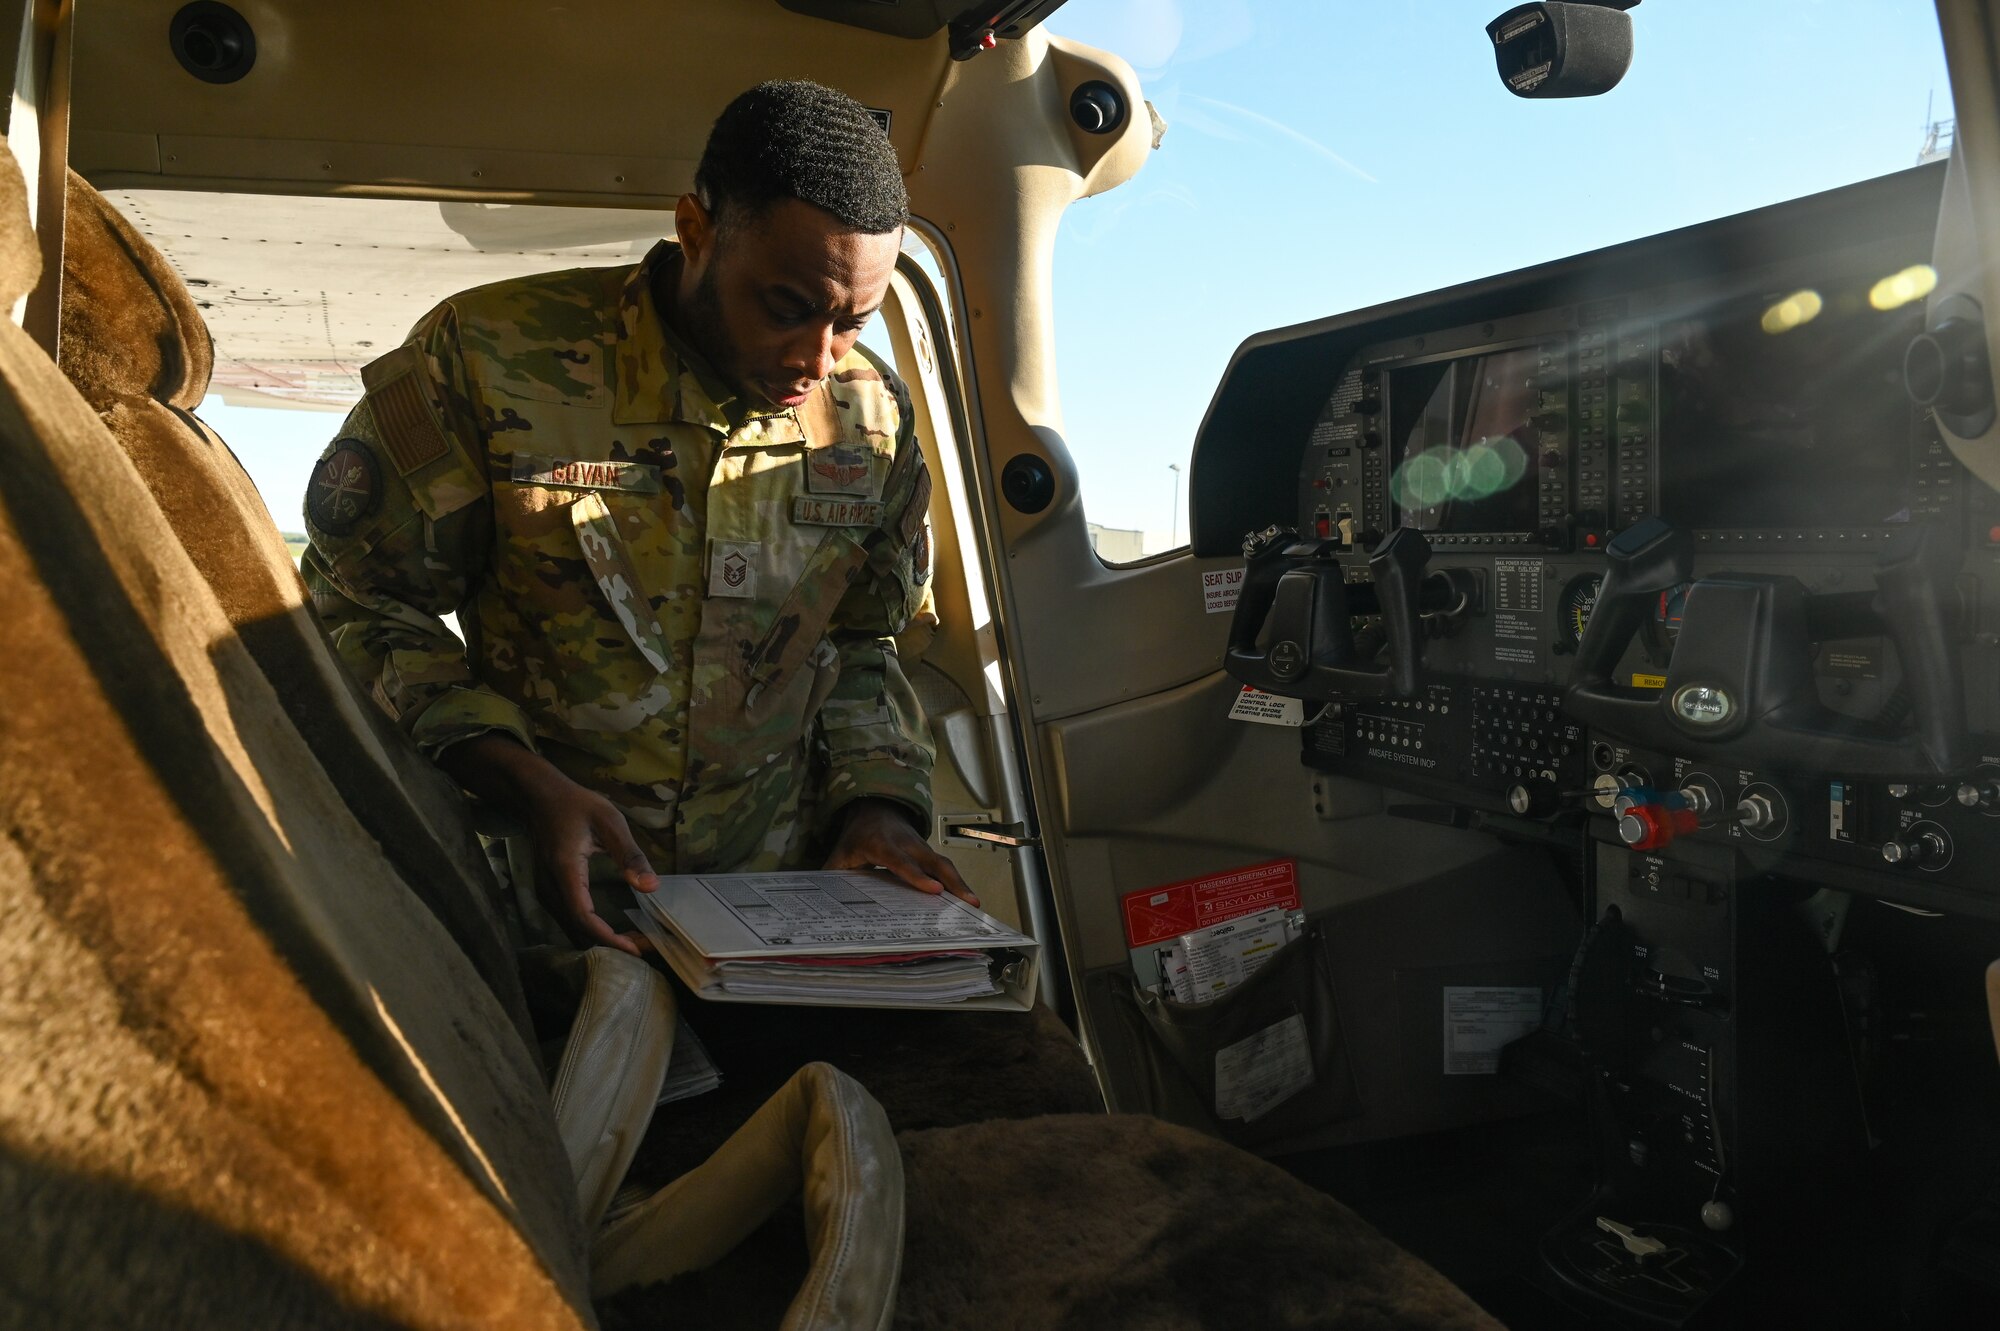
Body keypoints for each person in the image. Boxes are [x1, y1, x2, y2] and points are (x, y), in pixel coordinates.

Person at [303, 80, 972, 956]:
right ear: (696, 230)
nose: (817, 357)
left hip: (777, 928)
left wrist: (875, 805)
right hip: (538, 916)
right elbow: (359, 606)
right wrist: (518, 779)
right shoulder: (491, 359)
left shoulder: (868, 416)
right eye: (787, 307)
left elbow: (860, 644)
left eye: (854, 322)